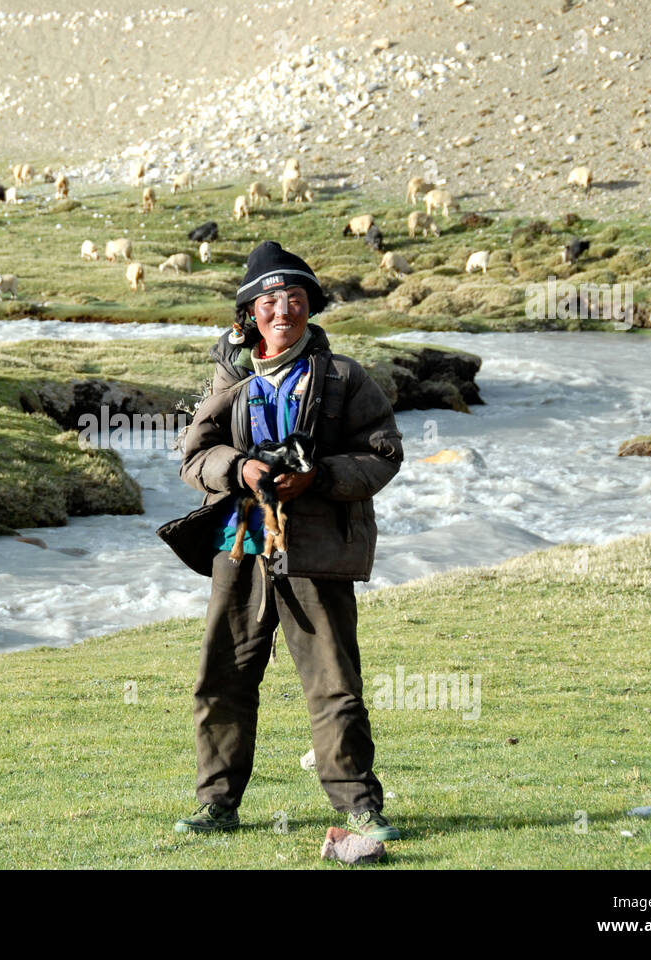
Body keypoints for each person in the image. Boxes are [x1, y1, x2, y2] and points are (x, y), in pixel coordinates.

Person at [157, 240, 405, 841]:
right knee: (224, 676)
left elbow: (383, 452)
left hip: (317, 546)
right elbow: (195, 456)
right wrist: (240, 470)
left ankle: (358, 810)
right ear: (251, 312)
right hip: (241, 540)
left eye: (295, 298)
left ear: (310, 308)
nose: (283, 310)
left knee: (333, 683)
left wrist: (318, 477)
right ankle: (218, 805)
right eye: (270, 299)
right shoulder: (229, 377)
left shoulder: (344, 377)